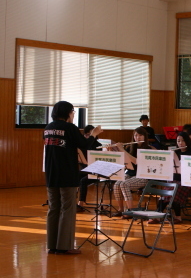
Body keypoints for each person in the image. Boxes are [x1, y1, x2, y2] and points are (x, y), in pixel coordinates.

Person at [44, 101, 103, 254]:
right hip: (67, 174)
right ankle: (64, 246)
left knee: (54, 208)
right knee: (68, 209)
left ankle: (52, 245)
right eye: (73, 111)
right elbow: (84, 144)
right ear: (68, 112)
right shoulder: (70, 128)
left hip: (51, 174)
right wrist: (94, 134)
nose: (73, 114)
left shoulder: (48, 128)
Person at [149, 131, 191, 224]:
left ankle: (177, 217)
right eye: (178, 141)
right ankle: (158, 215)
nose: (181, 143)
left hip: (187, 181)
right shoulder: (175, 152)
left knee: (175, 190)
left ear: (187, 141)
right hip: (175, 179)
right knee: (166, 192)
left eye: (183, 141)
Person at [112, 127, 153, 218]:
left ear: (144, 137)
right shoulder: (130, 148)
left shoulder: (148, 149)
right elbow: (122, 161)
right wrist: (114, 150)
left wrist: (121, 149)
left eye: (140, 135)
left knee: (124, 184)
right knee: (116, 185)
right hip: (130, 173)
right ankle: (121, 209)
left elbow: (136, 161)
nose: (137, 137)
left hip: (142, 175)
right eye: (135, 135)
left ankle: (130, 211)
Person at [77, 125, 102, 212]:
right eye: (86, 135)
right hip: (85, 169)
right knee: (72, 177)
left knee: (83, 181)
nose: (88, 136)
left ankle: (81, 204)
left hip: (95, 171)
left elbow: (98, 162)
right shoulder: (82, 145)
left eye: (90, 134)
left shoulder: (98, 145)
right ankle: (71, 202)